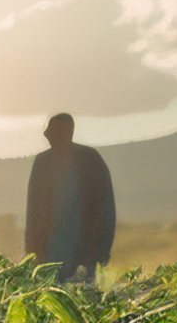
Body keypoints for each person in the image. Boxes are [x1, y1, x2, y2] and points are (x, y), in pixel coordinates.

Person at [23, 112, 115, 284]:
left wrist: (103, 249)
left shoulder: (91, 160)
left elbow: (105, 206)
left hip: (84, 246)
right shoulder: (43, 162)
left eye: (52, 131)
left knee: (81, 297)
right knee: (52, 294)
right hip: (50, 249)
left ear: (66, 132)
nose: (47, 135)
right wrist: (31, 250)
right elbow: (33, 210)